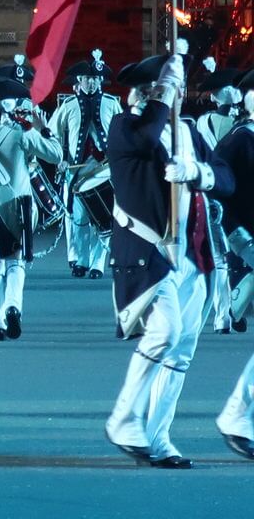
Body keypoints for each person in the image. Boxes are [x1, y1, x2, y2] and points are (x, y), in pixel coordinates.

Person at [104, 52, 234, 469]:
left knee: (181, 353)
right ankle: (124, 419)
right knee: (165, 331)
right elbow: (146, 138)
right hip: (151, 254)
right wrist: (165, 87)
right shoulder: (124, 127)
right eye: (162, 90)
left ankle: (158, 440)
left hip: (194, 255)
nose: (175, 96)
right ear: (143, 95)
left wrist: (197, 172)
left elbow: (225, 177)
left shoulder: (189, 132)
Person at [0, 76, 62, 340]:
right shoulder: (23, 132)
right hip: (14, 208)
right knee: (14, 263)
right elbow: (56, 154)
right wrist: (44, 129)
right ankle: (13, 306)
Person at [48, 49, 122, 279]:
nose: (91, 83)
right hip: (76, 170)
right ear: (79, 80)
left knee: (103, 217)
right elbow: (52, 134)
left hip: (104, 168)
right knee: (78, 219)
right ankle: (81, 260)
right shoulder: (68, 105)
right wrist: (60, 159)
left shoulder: (111, 103)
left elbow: (122, 132)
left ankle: (98, 263)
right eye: (87, 79)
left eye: (95, 79)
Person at [213, 67, 254, 458]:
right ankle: (238, 415)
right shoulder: (237, 141)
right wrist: (240, 243)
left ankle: (240, 415)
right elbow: (219, 197)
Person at [195, 58, 244, 333]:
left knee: (221, 258)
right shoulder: (244, 123)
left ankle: (223, 316)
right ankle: (235, 310)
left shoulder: (203, 123)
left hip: (215, 196)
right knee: (240, 254)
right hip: (242, 197)